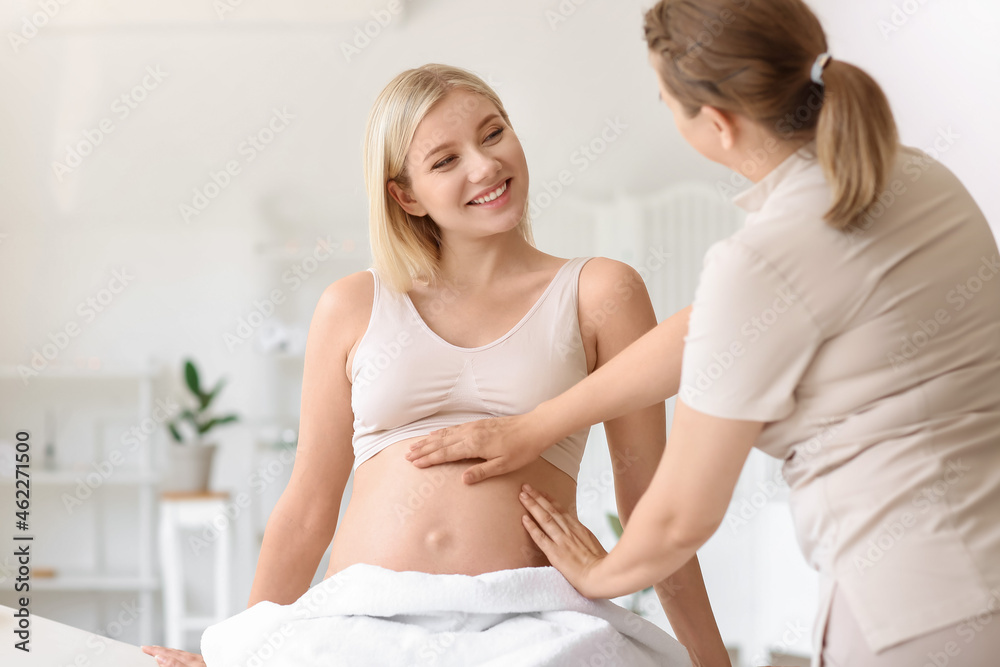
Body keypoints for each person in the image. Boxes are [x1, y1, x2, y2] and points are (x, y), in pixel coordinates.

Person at [404, 2, 1000, 666]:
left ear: (716, 122)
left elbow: (682, 513)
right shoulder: (918, 178)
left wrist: (599, 574)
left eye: (666, 102)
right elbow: (710, 330)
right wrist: (537, 424)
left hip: (913, 614)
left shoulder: (764, 259)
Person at [142, 63, 728, 666]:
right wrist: (241, 650)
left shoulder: (600, 292)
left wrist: (713, 661)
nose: (484, 166)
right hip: (359, 622)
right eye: (445, 161)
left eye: (493, 133)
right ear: (406, 194)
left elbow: (651, 498)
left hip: (536, 624)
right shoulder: (351, 306)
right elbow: (308, 506)